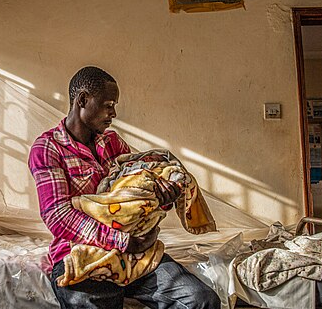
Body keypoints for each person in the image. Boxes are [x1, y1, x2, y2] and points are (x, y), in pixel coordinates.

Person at [28, 66, 220, 309]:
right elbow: (57, 216)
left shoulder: (113, 143)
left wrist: (163, 198)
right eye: (108, 105)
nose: (114, 113)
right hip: (80, 254)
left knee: (202, 300)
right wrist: (123, 241)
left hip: (134, 256)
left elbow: (138, 191)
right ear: (83, 100)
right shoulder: (48, 149)